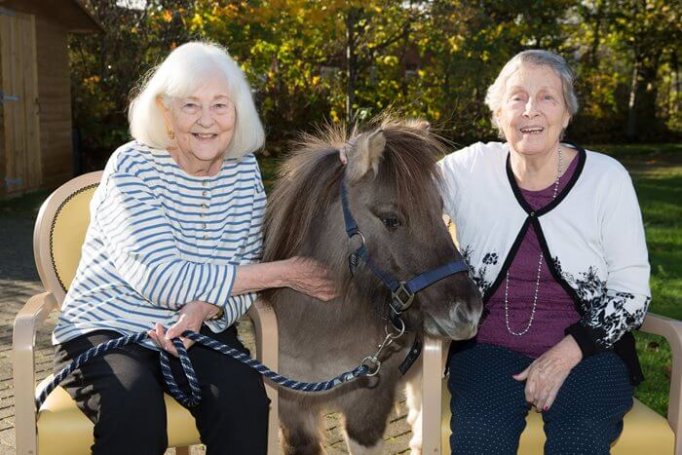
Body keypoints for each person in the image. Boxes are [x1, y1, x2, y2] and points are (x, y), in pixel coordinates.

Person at [52, 41, 335, 455]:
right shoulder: (132, 166)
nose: (207, 121)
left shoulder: (243, 171)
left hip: (200, 330)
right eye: (190, 106)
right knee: (135, 414)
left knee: (246, 408)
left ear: (238, 112)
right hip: (107, 328)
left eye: (220, 105)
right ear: (165, 112)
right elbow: (161, 279)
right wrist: (284, 271)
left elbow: (243, 274)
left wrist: (204, 309)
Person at [439, 49, 651, 454]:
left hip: (590, 352)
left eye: (547, 97)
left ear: (567, 114)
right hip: (488, 347)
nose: (530, 110)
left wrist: (567, 353)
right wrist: (356, 157)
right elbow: (400, 184)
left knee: (579, 440)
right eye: (517, 97)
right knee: (480, 437)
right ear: (498, 114)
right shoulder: (467, 170)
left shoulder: (607, 179)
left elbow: (631, 293)